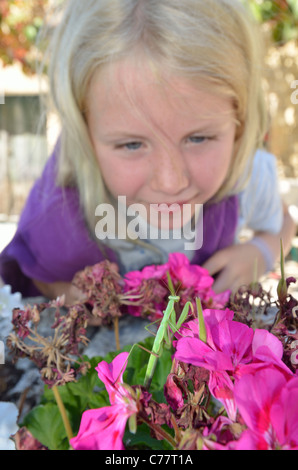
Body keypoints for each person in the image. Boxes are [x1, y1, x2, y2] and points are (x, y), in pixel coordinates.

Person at [0, 0, 295, 303]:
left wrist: (261, 251)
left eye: (198, 138)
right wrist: (68, 295)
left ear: (240, 123)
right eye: (132, 145)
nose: (171, 183)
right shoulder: (58, 205)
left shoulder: (247, 175)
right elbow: (34, 269)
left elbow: (284, 223)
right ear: (85, 133)